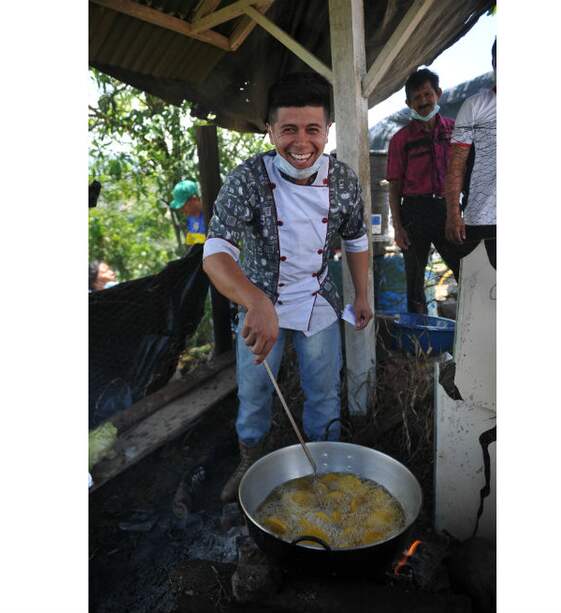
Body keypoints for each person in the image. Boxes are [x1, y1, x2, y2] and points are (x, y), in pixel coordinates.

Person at [202, 72, 373, 502]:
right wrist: (255, 301)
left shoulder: (344, 181)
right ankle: (249, 459)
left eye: (313, 130)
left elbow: (356, 237)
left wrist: (362, 293)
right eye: (289, 130)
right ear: (270, 130)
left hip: (318, 301)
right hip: (260, 300)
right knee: (255, 391)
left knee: (323, 395)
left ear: (327, 131)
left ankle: (323, 469)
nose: (302, 143)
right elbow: (216, 251)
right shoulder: (248, 179)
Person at [386, 68, 457, 314]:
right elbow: (394, 187)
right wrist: (398, 226)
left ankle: (469, 336)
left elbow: (467, 174)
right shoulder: (400, 140)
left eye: (427, 94)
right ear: (409, 104)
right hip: (414, 212)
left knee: (465, 271)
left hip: (448, 208)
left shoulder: (455, 130)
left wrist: (458, 211)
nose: (423, 101)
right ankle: (421, 347)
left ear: (437, 94)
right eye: (417, 98)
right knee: (414, 282)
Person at [444, 39, 497, 270]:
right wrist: (453, 213)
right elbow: (457, 165)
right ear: (495, 63)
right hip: (483, 218)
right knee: (484, 298)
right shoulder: (475, 106)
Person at [169, 180, 207, 245]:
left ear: (194, 199)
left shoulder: (212, 215)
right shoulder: (191, 219)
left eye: (183, 206)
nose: (182, 210)